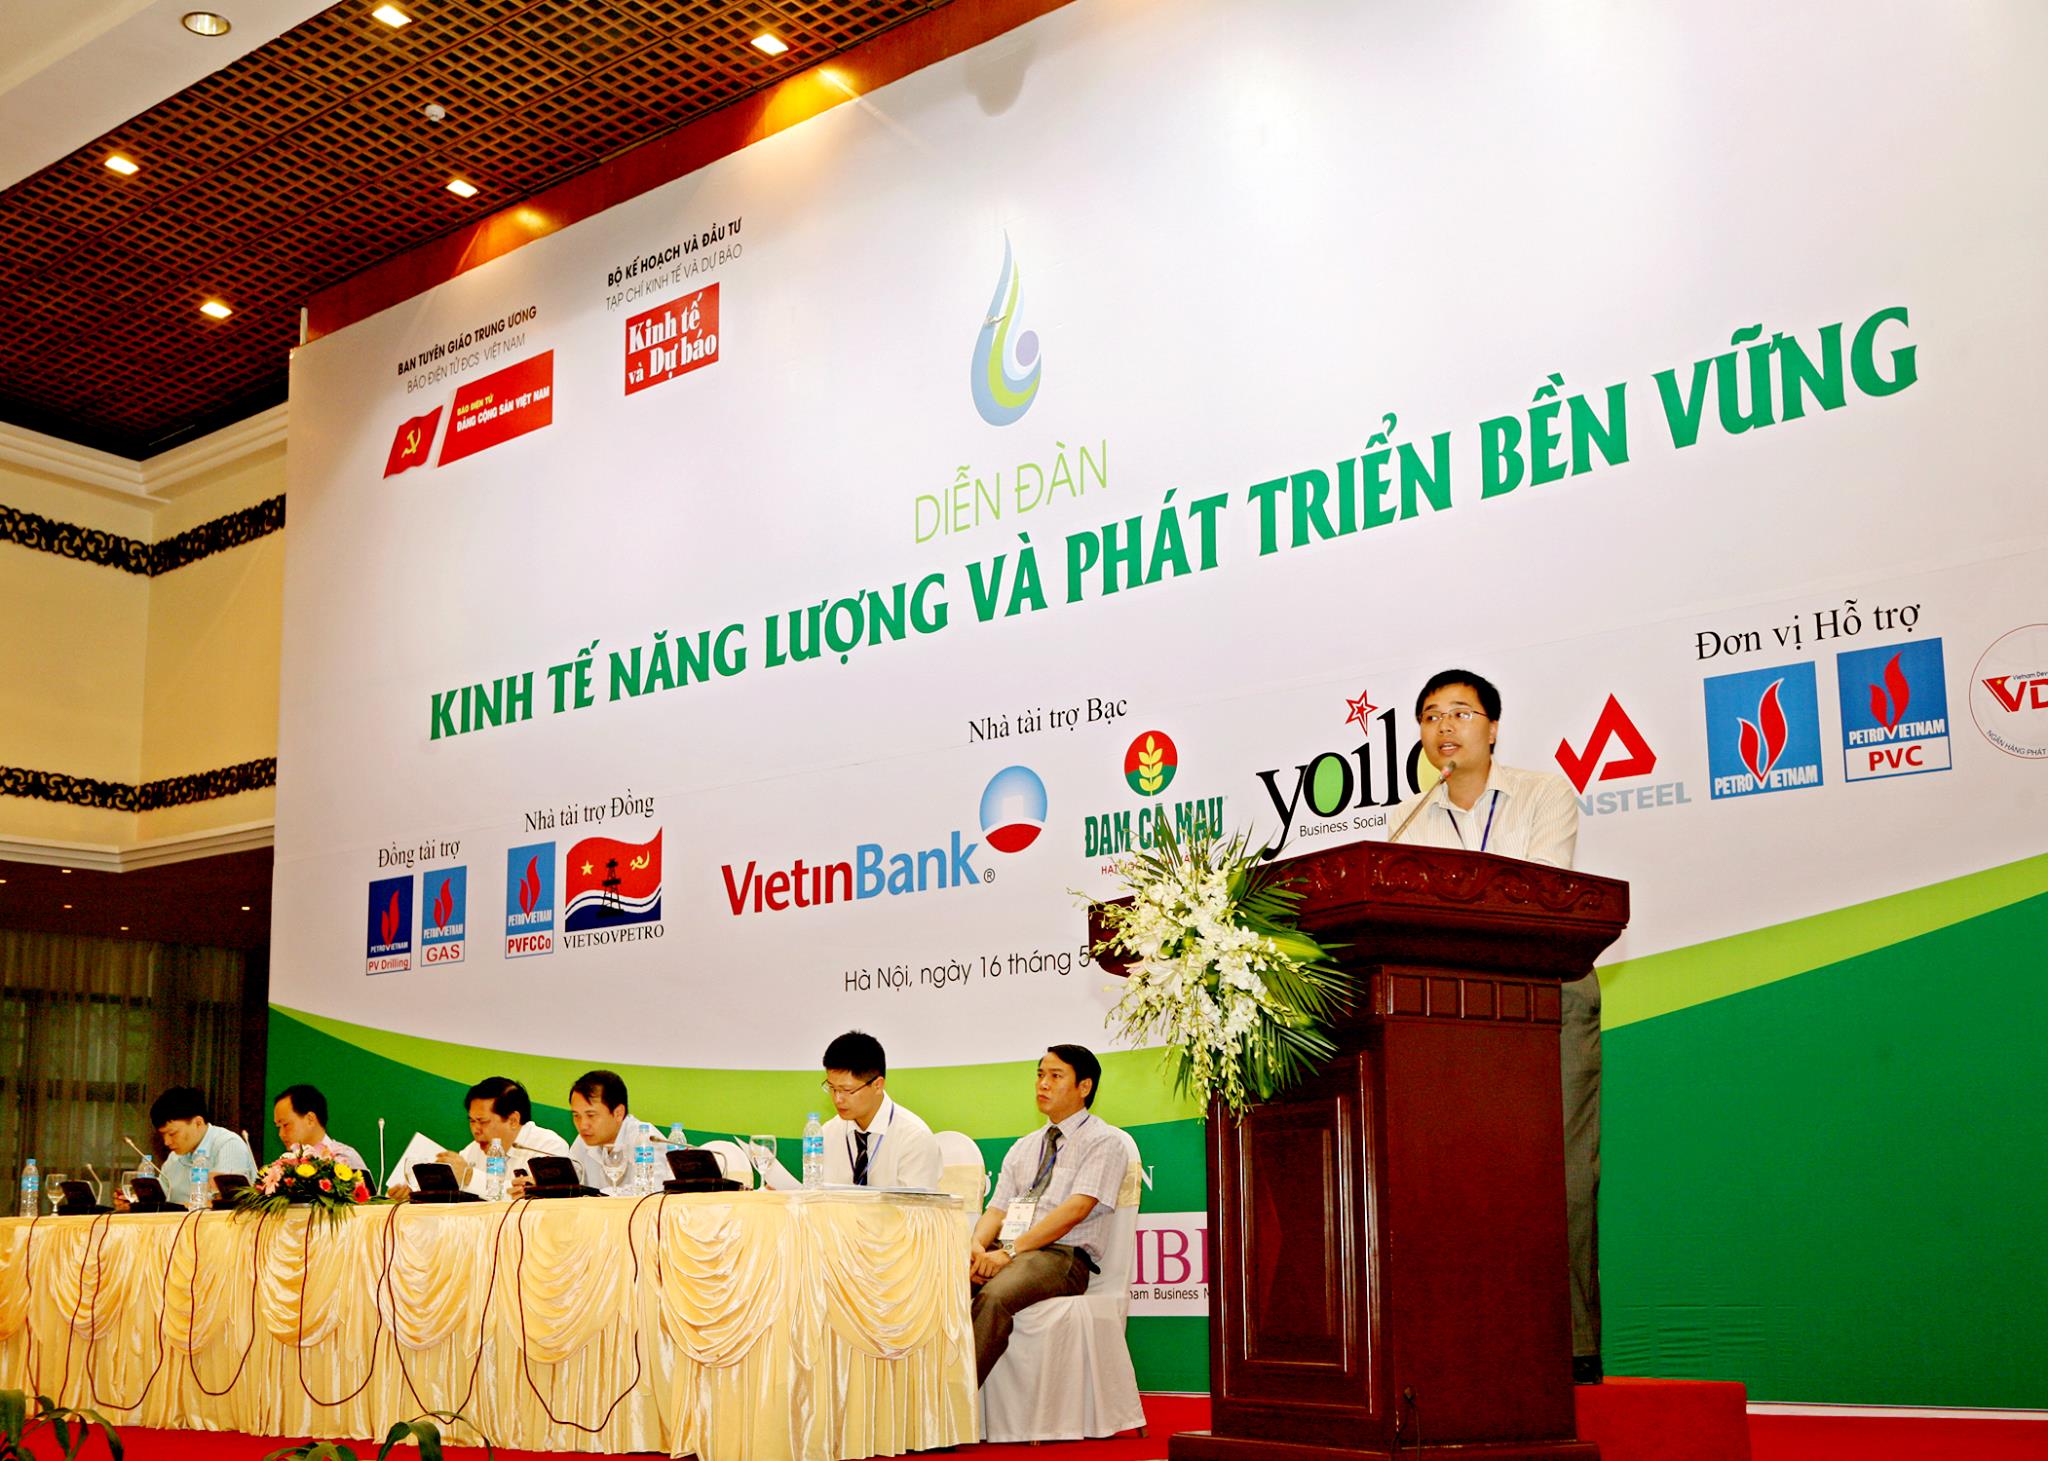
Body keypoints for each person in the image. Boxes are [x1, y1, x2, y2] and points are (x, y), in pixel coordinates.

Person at [1388, 668, 1602, 1383]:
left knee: (1560, 1175)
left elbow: (1536, 895)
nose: (1444, 727)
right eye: (1430, 716)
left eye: (1460, 712)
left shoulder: (1544, 794)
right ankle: (1471, 1338)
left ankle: (1571, 1345)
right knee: (1459, 1176)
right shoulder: (1408, 820)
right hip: (1450, 1008)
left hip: (1546, 998)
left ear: (1494, 727)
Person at [968, 1045, 1128, 1386]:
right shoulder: (1024, 1146)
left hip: (1061, 1257)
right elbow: (997, 1208)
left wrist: (1010, 1252)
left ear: (1084, 1087)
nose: (1043, 1084)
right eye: (1040, 1075)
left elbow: (1075, 1210)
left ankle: (951, 1406)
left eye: (1056, 1076)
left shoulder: (1103, 1142)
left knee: (994, 1297)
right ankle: (917, 1395)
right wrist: (977, 1246)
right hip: (1009, 1250)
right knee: (942, 1284)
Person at [386, 1076, 570, 1200]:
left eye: (482, 1121)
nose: (475, 1130)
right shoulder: (473, 1150)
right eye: (472, 1121)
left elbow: (528, 1201)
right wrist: (418, 1193)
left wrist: (469, 1177)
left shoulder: (548, 1147)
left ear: (513, 1120)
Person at [818, 1030, 943, 1190]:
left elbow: (915, 1205)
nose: (837, 1099)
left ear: (877, 1085)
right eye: (832, 1088)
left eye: (847, 1090)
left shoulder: (915, 1138)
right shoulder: (827, 1134)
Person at [148, 1087, 258, 1207]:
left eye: (172, 1134)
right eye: (163, 1135)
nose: (166, 1142)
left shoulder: (228, 1144)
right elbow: (157, 1203)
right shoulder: (173, 1159)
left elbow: (226, 1203)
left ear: (198, 1123)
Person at [565, 1069, 662, 1191]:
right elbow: (566, 1185)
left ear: (618, 1113)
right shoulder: (583, 1140)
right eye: (576, 1116)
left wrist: (600, 1196)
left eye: (591, 1115)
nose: (583, 1125)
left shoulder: (644, 1138)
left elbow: (653, 1191)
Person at [271, 1084, 368, 1172]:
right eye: (278, 1127)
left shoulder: (344, 1158)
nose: (281, 1134)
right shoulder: (286, 1166)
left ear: (310, 1119)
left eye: (286, 1125)